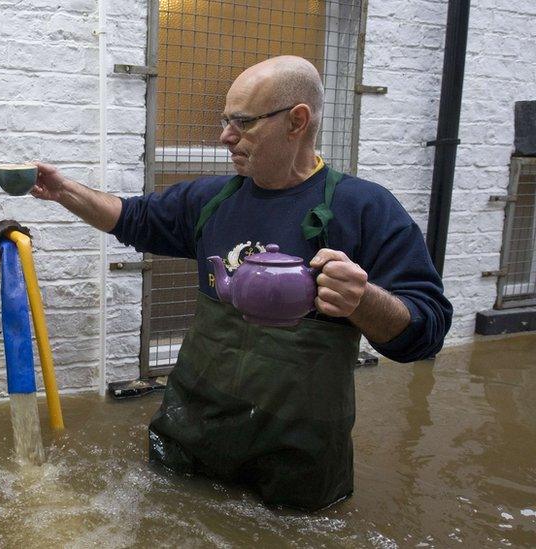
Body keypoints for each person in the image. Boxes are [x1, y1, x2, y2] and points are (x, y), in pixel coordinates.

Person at [30, 55, 452, 511]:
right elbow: (131, 217)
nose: (225, 136)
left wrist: (363, 300)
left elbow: (425, 333)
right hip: (192, 432)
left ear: (297, 121)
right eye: (225, 120)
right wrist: (64, 191)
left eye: (243, 122)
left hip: (298, 454)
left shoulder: (365, 209)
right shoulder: (211, 200)